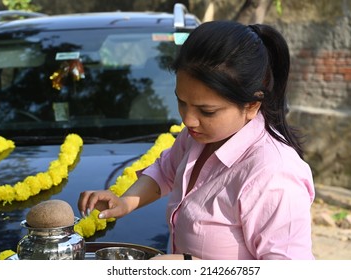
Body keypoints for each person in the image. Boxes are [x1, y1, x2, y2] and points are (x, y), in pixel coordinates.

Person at [78, 20, 315, 260]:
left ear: (252, 105)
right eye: (181, 102)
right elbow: (165, 170)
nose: (188, 120)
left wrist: (191, 265)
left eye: (207, 111)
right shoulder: (197, 138)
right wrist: (125, 202)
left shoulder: (274, 175)